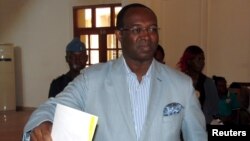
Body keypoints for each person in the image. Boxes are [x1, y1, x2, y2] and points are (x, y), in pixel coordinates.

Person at [23, 3, 207, 141]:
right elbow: (51, 108)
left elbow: (197, 136)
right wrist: (42, 124)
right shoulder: (92, 80)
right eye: (136, 29)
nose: (146, 35)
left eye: (152, 29)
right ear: (120, 35)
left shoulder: (181, 85)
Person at [177, 45, 219, 125]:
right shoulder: (179, 81)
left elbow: (215, 109)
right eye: (199, 59)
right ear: (189, 61)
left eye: (203, 59)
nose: (202, 62)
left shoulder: (208, 83)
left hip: (204, 124)